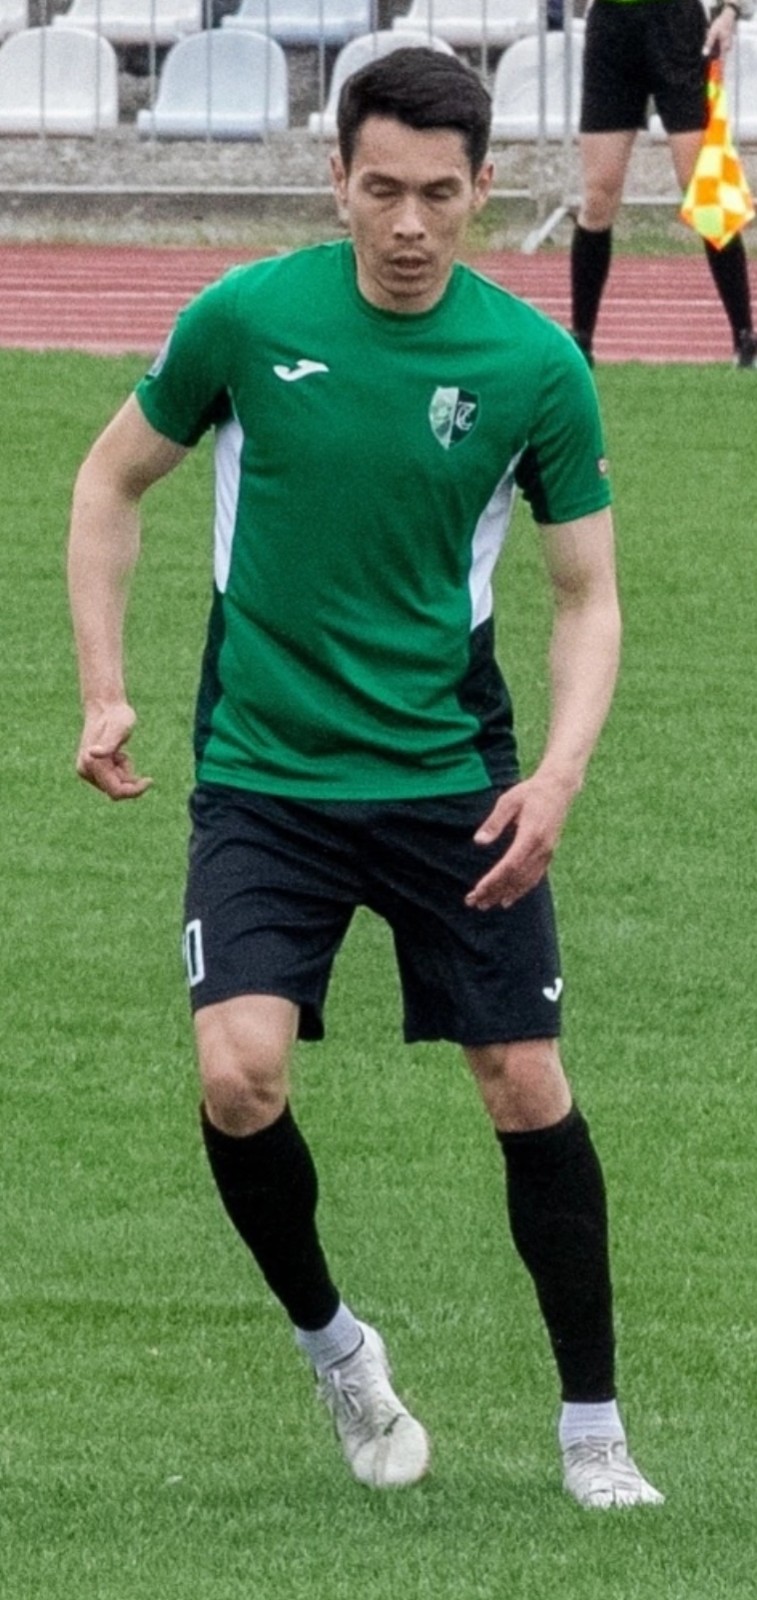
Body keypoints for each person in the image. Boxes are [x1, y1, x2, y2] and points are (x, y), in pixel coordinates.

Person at [68, 47, 663, 1509]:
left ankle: (593, 1431)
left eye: (439, 195)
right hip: (265, 776)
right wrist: (105, 685)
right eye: (380, 189)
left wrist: (559, 779)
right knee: (236, 1075)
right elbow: (108, 481)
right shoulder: (244, 320)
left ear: (484, 189)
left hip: (451, 777)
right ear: (334, 178)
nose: (408, 224)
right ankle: (337, 1348)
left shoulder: (533, 367)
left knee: (523, 1082)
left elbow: (587, 594)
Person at [571, 0, 757, 367]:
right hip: (611, 28)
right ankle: (581, 341)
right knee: (598, 195)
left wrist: (730, 11)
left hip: (676, 24)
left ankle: (745, 338)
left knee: (702, 188)